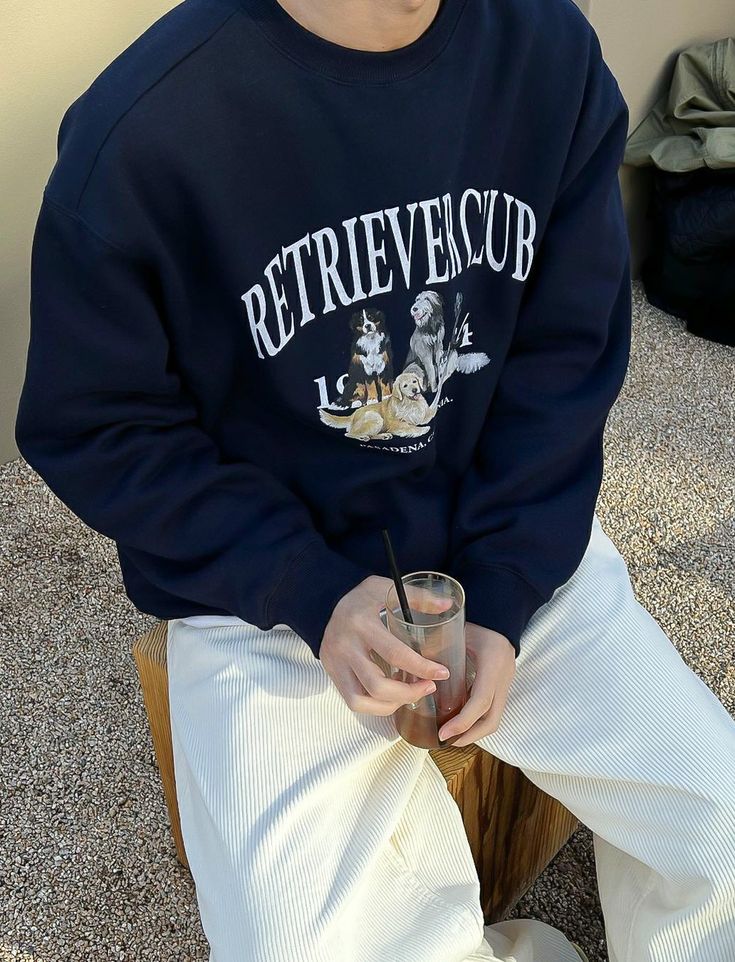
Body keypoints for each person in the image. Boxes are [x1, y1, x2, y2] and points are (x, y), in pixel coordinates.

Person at [15, 1, 735, 960]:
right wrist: (302, 590)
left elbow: (563, 359)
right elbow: (95, 422)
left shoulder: (547, 52)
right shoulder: (145, 127)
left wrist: (511, 583)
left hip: (506, 537)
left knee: (720, 831)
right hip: (270, 601)